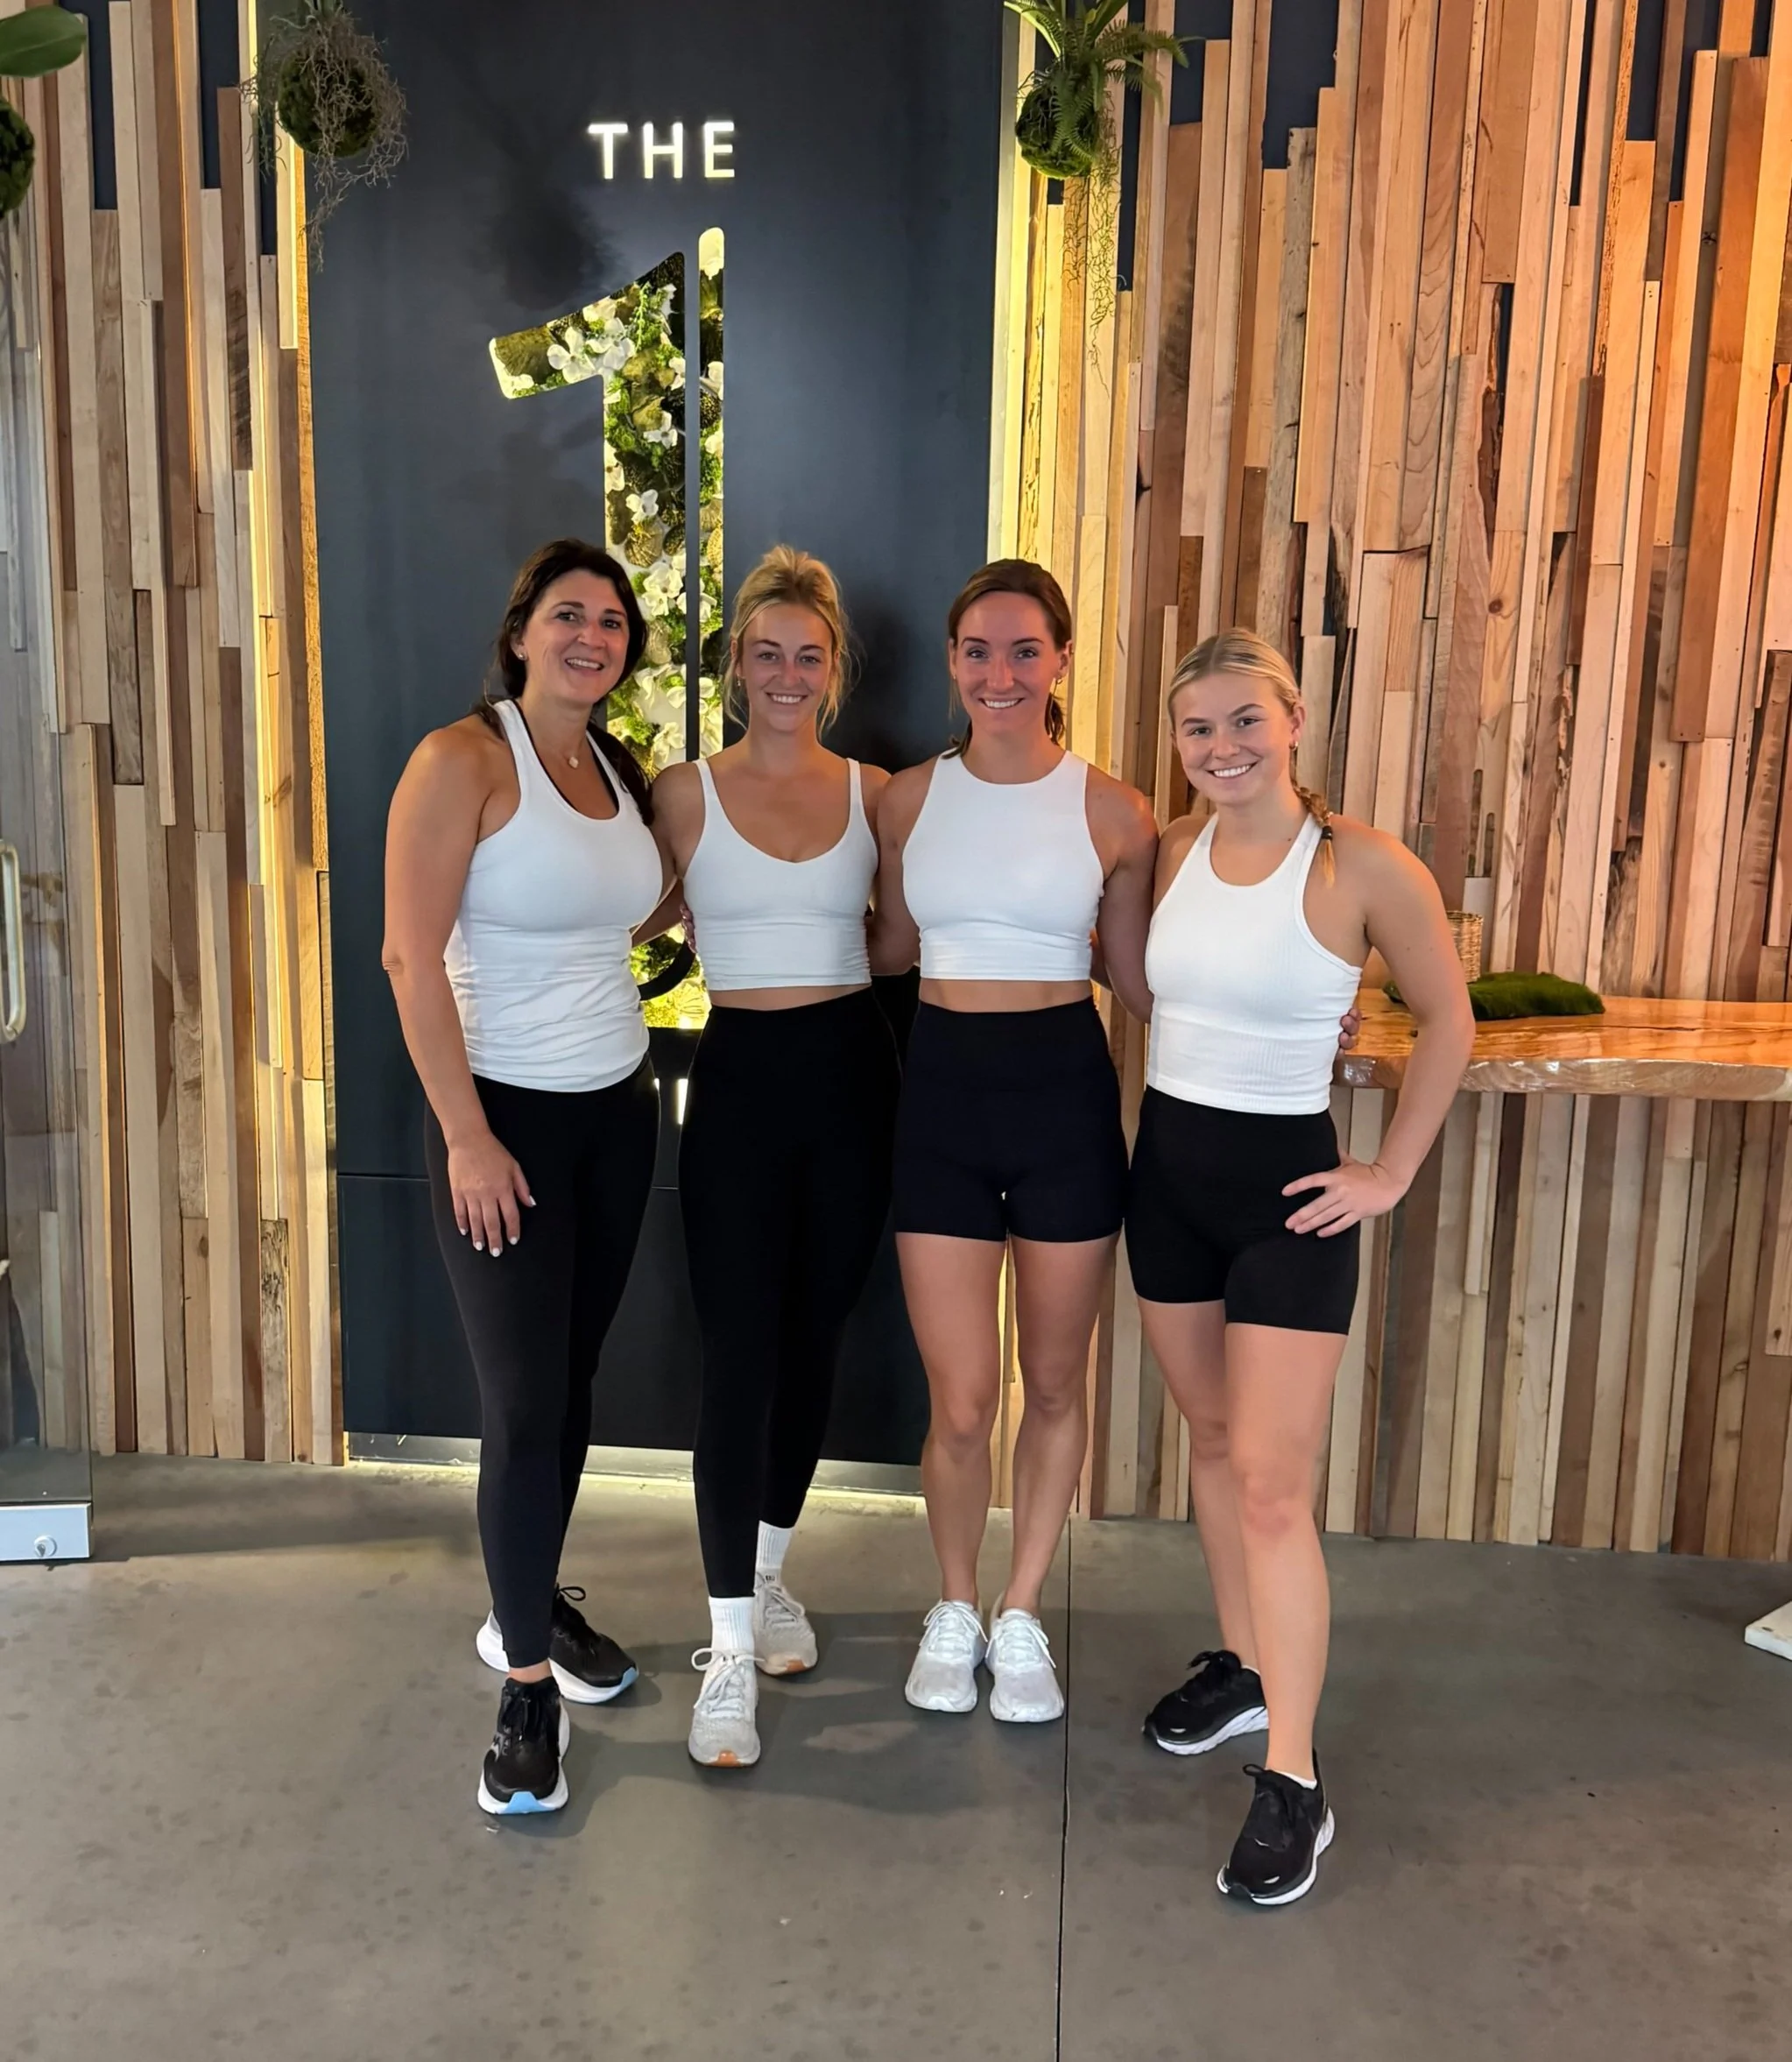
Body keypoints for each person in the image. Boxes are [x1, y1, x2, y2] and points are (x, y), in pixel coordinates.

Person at [1129, 627, 1474, 1906]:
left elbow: (1450, 1019)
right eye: (1196, 729)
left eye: (1241, 722)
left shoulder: (1359, 866)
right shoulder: (1169, 851)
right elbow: (1152, 985)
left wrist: (1386, 1171)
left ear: (1292, 721)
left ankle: (1294, 1779)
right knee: (1210, 1447)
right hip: (1162, 1183)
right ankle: (1243, 1664)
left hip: (1286, 1199)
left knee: (1273, 1484)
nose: (1219, 749)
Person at [382, 540, 669, 1817]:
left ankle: (530, 1593)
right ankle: (525, 1690)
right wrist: (466, 1134)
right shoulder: (464, 759)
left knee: (570, 1383)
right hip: (500, 1118)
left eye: (611, 621)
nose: (591, 636)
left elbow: (635, 906)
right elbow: (406, 954)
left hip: (616, 1112)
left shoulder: (610, 768)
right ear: (520, 633)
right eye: (569, 615)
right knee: (519, 1400)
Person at [871, 560, 1159, 1723]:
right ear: (952, 663)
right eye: (978, 651)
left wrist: (1302, 1005)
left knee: (1051, 1383)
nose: (999, 671)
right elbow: (887, 950)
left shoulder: (1113, 807)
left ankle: (1022, 1608)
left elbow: (1136, 976)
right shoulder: (901, 800)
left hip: (1061, 1099)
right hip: (939, 1099)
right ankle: (953, 1603)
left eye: (1023, 649)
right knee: (963, 1398)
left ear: (1059, 661)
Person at [653, 546, 899, 1769]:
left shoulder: (877, 793)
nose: (787, 673)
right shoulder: (680, 794)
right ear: (737, 664)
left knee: (814, 1344)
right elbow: (605, 908)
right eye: (766, 652)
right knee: (736, 1359)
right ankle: (727, 1651)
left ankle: (767, 1573)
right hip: (739, 1080)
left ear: (833, 667)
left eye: (809, 654)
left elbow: (915, 940)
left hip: (853, 1079)